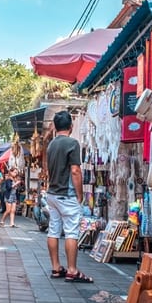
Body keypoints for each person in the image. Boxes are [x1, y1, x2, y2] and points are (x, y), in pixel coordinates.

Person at [44, 110, 92, 283]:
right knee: (71, 232)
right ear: (71, 127)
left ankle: (56, 267)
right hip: (67, 194)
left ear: (56, 127)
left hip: (52, 194)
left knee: (54, 230)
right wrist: (80, 195)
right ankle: (72, 270)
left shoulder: (51, 145)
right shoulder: (72, 143)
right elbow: (75, 170)